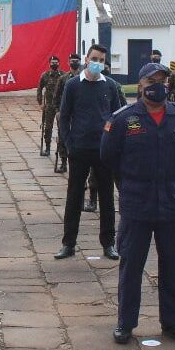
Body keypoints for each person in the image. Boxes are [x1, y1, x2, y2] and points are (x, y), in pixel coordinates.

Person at [102, 61, 175, 344]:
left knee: (173, 265)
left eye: (162, 81)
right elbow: (108, 155)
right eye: (151, 81)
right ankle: (126, 323)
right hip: (137, 203)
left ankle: (172, 321)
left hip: (172, 202)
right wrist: (130, 183)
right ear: (141, 85)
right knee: (131, 266)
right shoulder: (123, 118)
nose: (157, 86)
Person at [55, 44, 125, 261]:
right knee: (74, 196)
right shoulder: (73, 85)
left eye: (101, 60)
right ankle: (68, 243)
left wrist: (115, 142)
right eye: (94, 58)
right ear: (86, 58)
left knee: (106, 198)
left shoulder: (111, 86)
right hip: (79, 149)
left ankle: (109, 243)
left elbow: (118, 115)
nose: (97, 63)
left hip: (104, 151)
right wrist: (68, 143)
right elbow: (64, 116)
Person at [53, 54, 82, 172]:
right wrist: (58, 111)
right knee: (63, 137)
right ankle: (63, 162)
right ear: (68, 62)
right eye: (72, 61)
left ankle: (77, 163)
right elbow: (56, 96)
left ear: (80, 62)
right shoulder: (63, 78)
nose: (74, 62)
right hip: (65, 113)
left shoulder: (84, 77)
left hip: (80, 114)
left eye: (76, 61)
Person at [36, 56, 62, 157]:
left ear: (59, 63)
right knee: (48, 128)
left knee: (61, 128)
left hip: (60, 106)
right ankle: (47, 148)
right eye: (52, 62)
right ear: (49, 63)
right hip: (49, 106)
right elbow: (39, 89)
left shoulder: (63, 75)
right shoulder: (45, 75)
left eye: (56, 62)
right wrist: (40, 103)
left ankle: (61, 149)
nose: (54, 64)